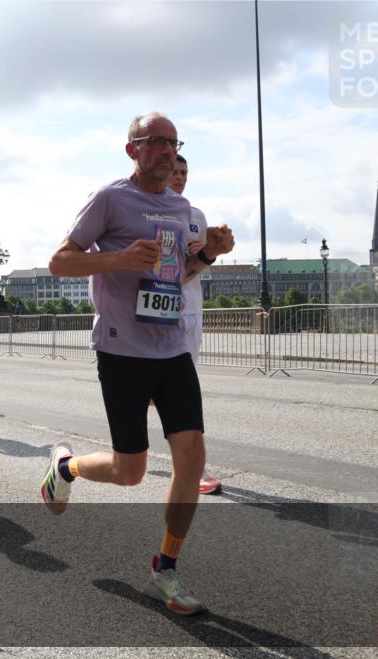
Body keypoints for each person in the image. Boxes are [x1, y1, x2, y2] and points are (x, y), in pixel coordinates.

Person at [40, 112, 234, 616]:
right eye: (158, 143)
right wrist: (118, 259)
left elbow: (179, 276)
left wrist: (207, 255)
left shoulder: (183, 207)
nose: (169, 152)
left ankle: (164, 570)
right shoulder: (109, 199)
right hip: (121, 350)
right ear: (134, 150)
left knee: (192, 457)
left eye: (175, 144)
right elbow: (60, 261)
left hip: (171, 350)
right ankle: (66, 468)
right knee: (131, 471)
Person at [167, 154, 222, 496]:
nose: (181, 176)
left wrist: (208, 252)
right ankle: (190, 469)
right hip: (160, 313)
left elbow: (198, 265)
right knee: (180, 395)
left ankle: (189, 467)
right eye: (175, 171)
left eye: (185, 171)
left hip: (191, 311)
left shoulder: (196, 216)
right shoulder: (147, 212)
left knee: (180, 392)